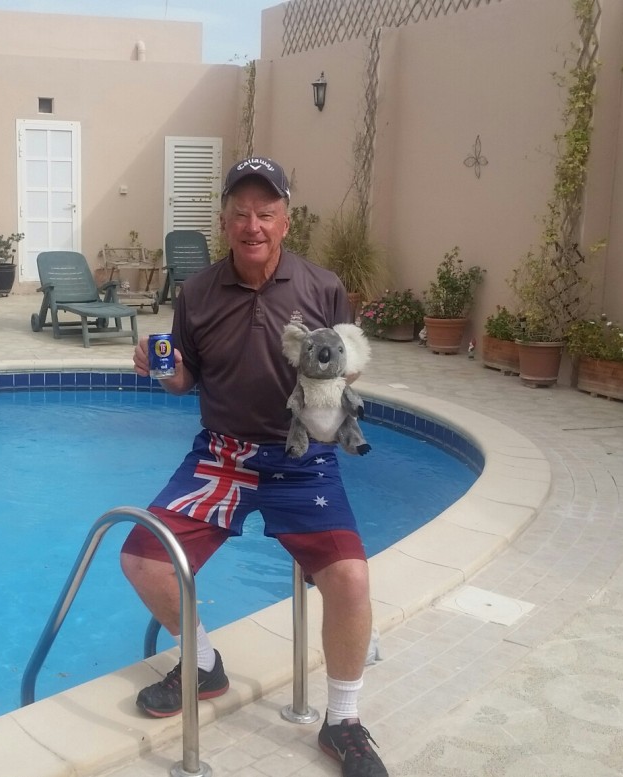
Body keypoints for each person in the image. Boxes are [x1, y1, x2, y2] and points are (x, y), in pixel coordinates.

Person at [121, 156, 388, 777]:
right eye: (240, 213)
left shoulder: (322, 286)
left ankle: (343, 722)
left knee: (349, 579)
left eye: (265, 213)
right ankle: (206, 663)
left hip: (304, 459)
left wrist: (342, 373)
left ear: (285, 221)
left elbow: (349, 364)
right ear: (224, 221)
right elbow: (185, 381)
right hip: (224, 456)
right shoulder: (197, 292)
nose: (252, 225)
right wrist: (162, 368)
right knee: (141, 557)